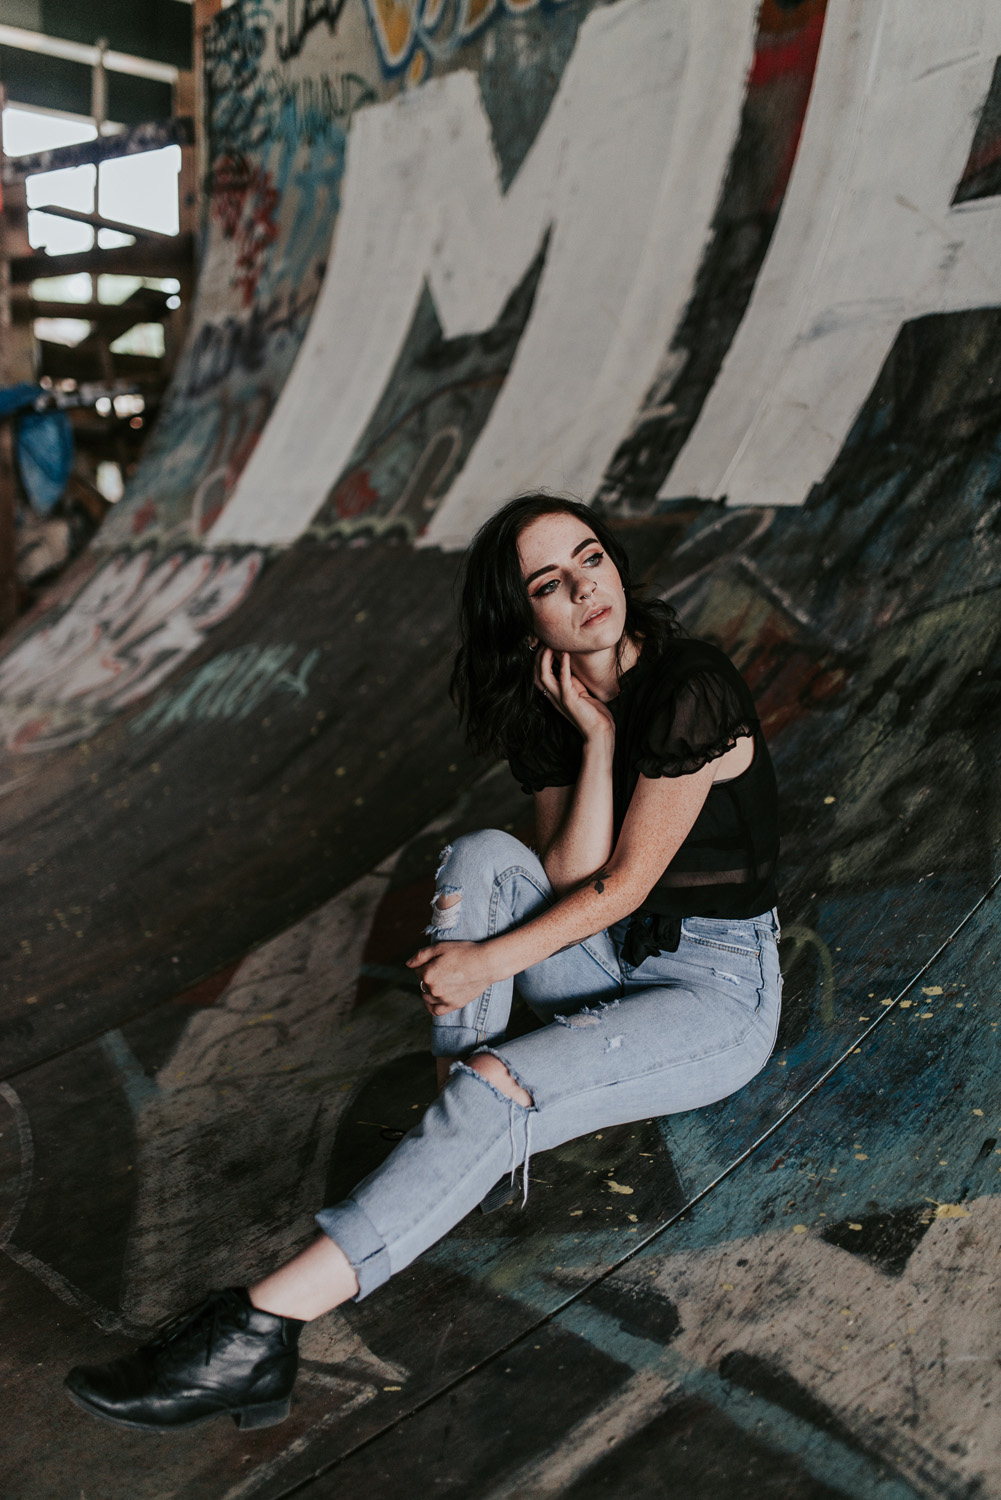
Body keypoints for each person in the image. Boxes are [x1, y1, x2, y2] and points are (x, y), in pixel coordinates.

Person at [65, 495, 781, 1432]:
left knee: (497, 1082)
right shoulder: (555, 704)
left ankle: (256, 1329)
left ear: (615, 565)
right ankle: (458, 1128)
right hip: (602, 957)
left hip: (715, 990)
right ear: (525, 617)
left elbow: (621, 890)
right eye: (548, 584)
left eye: (591, 559)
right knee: (484, 854)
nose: (583, 590)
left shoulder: (692, 688)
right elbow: (565, 873)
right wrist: (598, 740)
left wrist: (483, 965)